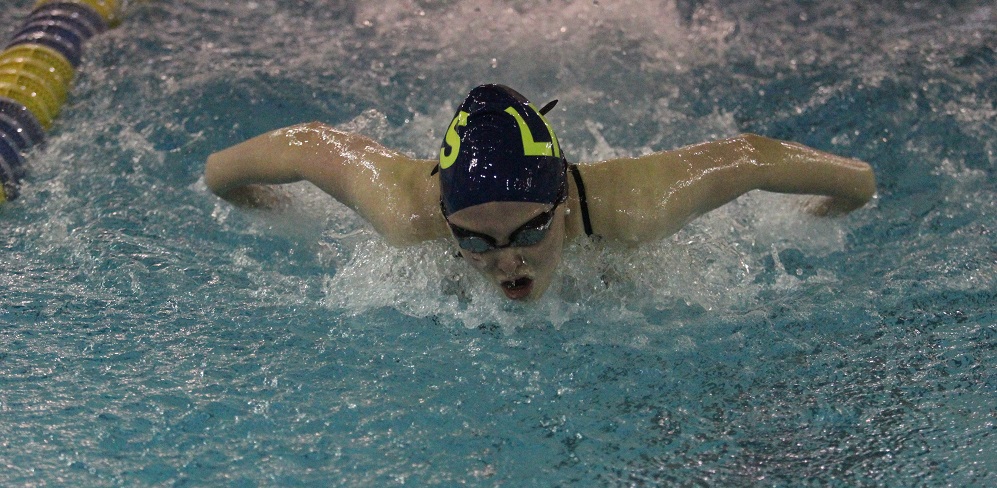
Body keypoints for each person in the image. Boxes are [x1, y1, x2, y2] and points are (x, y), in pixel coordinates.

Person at [205, 84, 876, 301]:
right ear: (443, 211)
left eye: (529, 232)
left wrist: (810, 229)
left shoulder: (635, 207)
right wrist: (278, 217)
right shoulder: (405, 208)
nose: (504, 263)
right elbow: (280, 152)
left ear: (561, 204)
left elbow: (763, 159)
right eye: (472, 240)